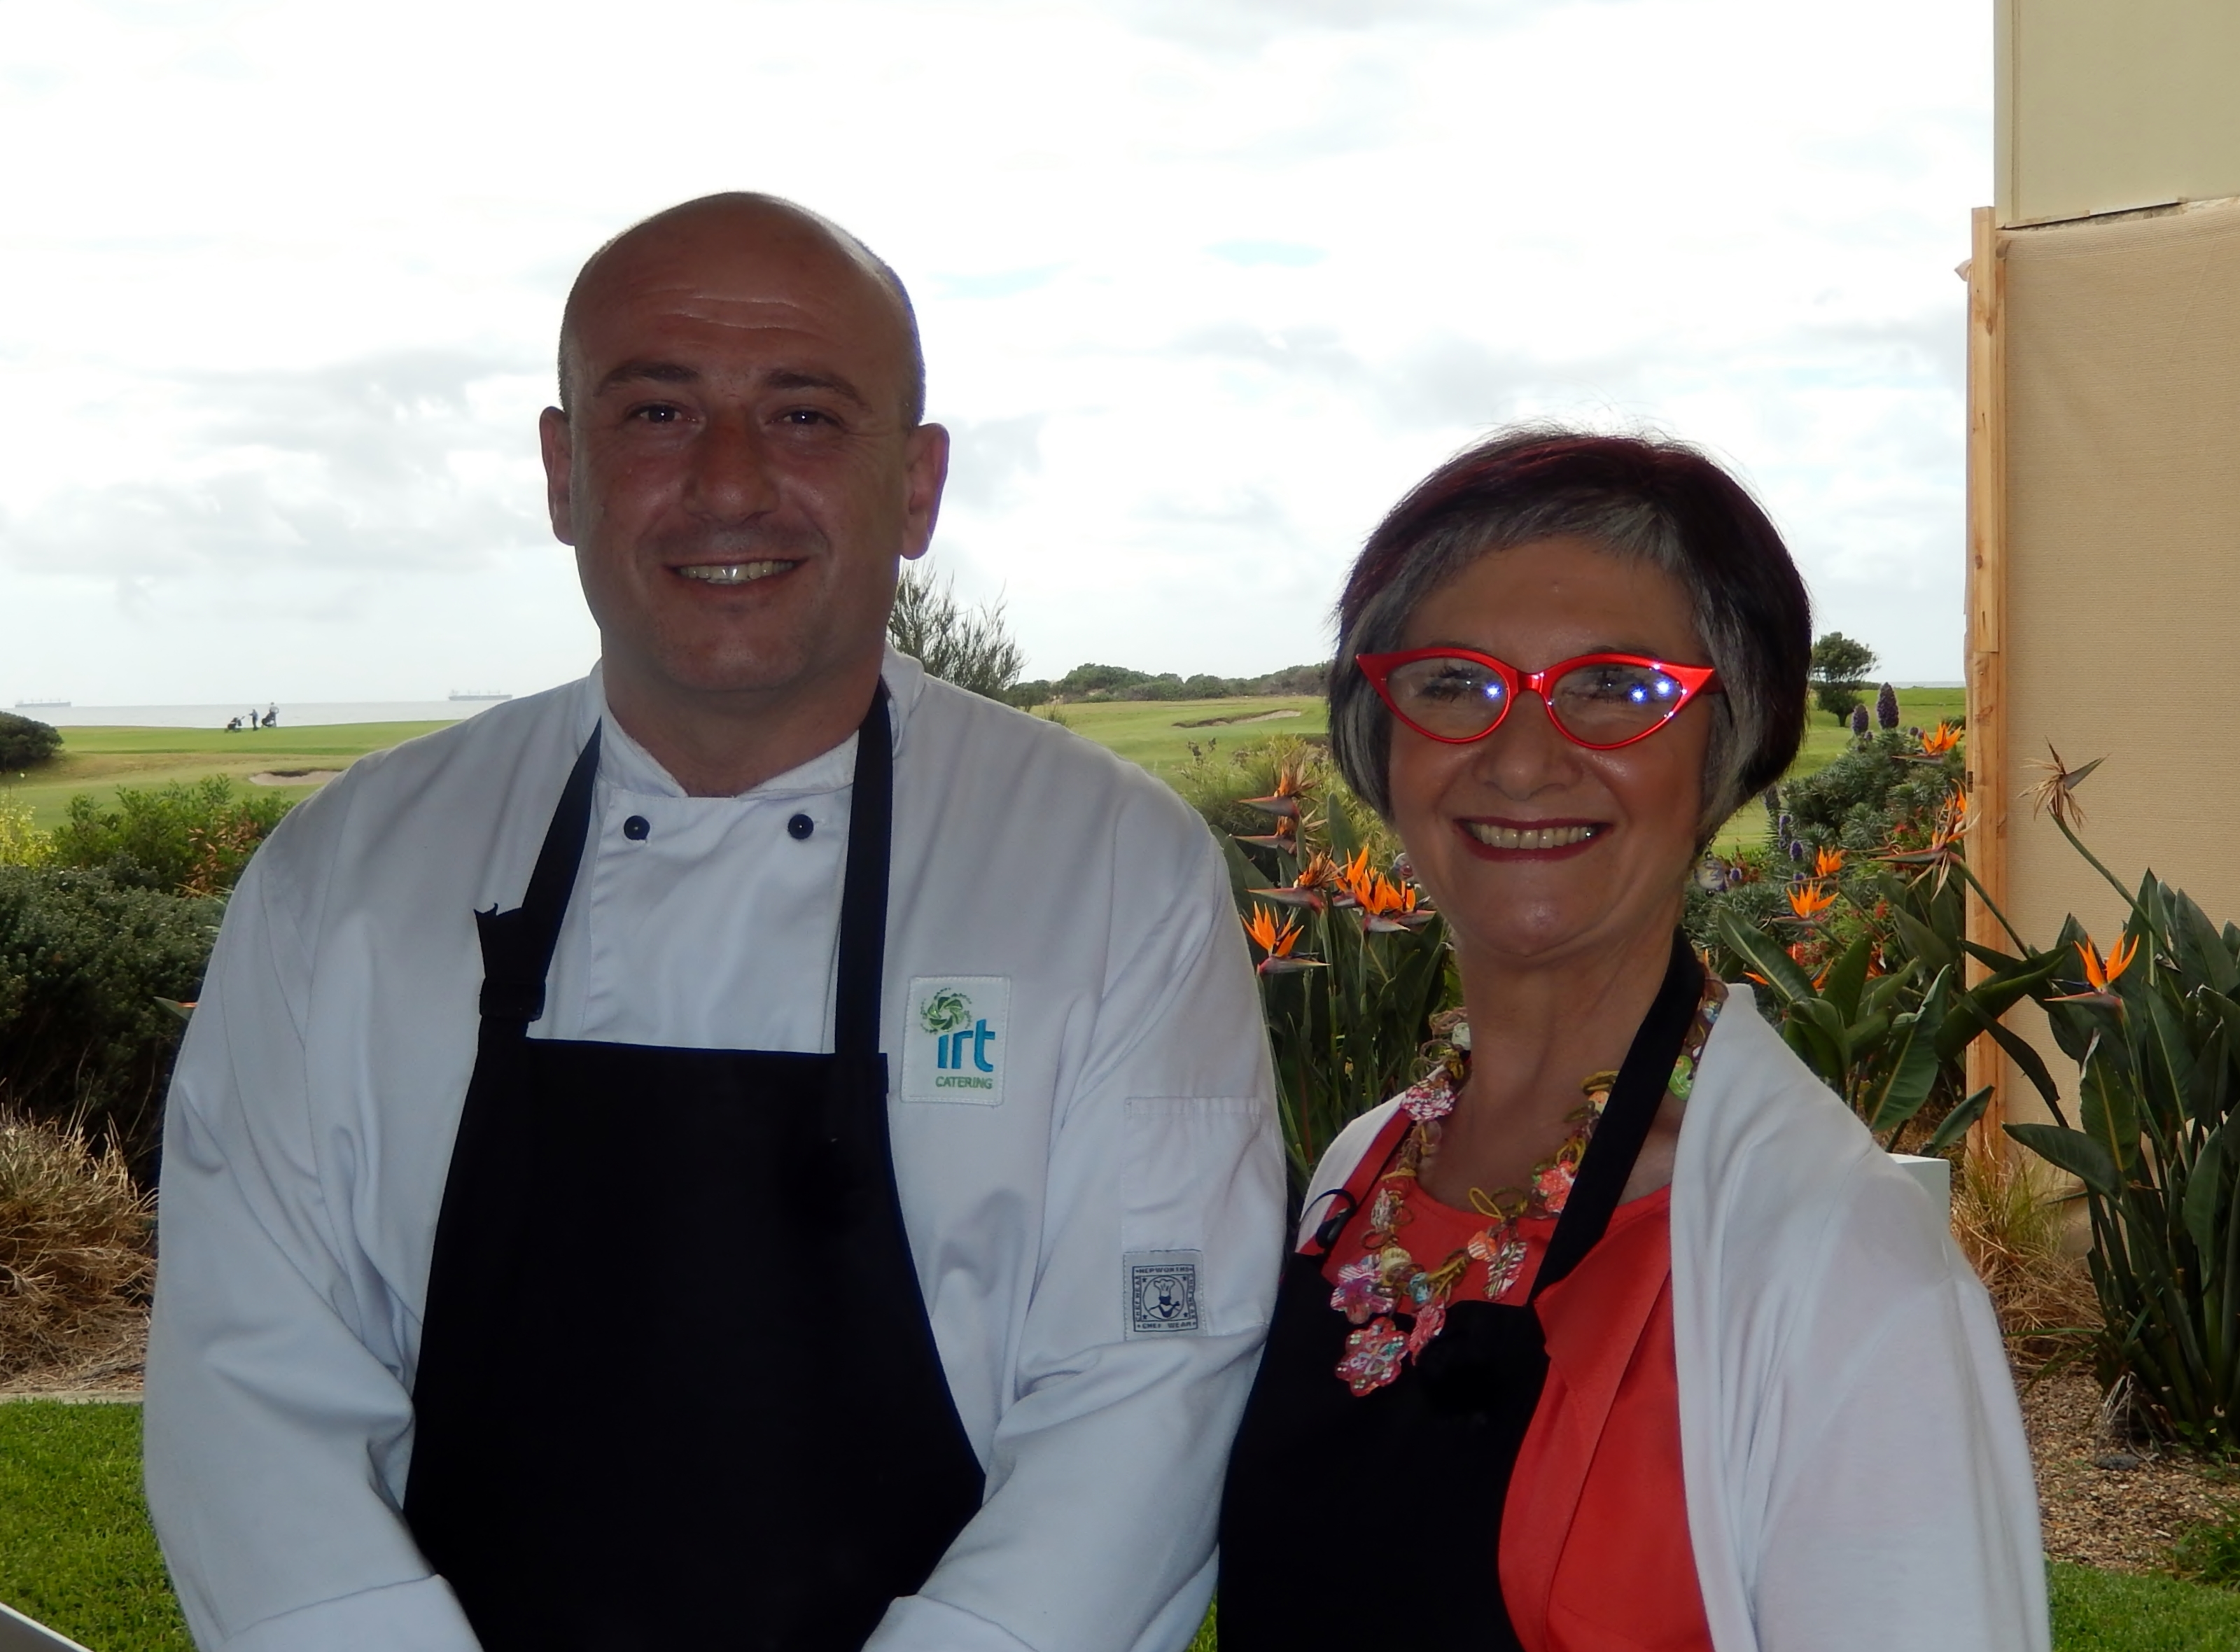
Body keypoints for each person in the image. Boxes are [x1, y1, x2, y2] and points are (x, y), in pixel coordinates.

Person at [144, 193, 1284, 1652]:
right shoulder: (347, 874)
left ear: (916, 486)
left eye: (805, 415)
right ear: (563, 473)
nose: (729, 482)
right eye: (658, 412)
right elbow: (249, 1376)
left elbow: (1149, 1383)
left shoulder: (1110, 868)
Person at [1217, 429, 2046, 1651]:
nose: (1522, 759)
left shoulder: (1835, 1260)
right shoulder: (1362, 1173)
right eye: (1452, 682)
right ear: (1378, 738)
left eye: (1616, 686)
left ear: (1727, 746)